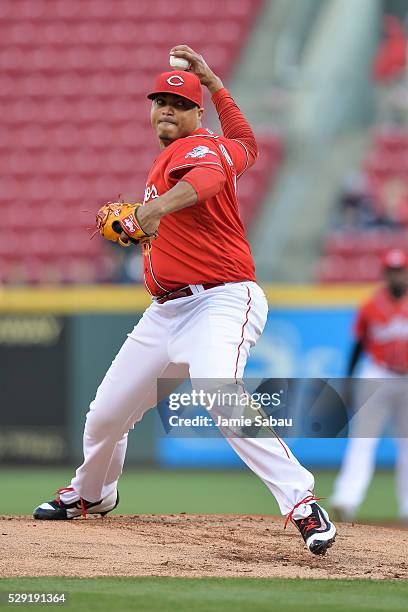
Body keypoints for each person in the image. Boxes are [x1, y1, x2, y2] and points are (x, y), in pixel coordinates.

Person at [33, 45, 336, 555]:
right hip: (166, 312)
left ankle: (301, 501)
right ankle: (92, 494)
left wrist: (152, 213)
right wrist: (215, 84)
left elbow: (203, 181)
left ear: (196, 116)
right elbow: (247, 143)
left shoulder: (199, 149)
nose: (167, 110)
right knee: (105, 414)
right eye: (160, 103)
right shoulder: (213, 146)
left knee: (219, 388)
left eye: (178, 103)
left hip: (220, 300)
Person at [331, 248, 408, 522]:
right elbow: (358, 346)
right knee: (362, 441)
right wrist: (349, 381)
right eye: (392, 271)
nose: (396, 275)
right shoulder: (370, 306)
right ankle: (346, 500)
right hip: (376, 372)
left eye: (400, 270)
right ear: (385, 274)